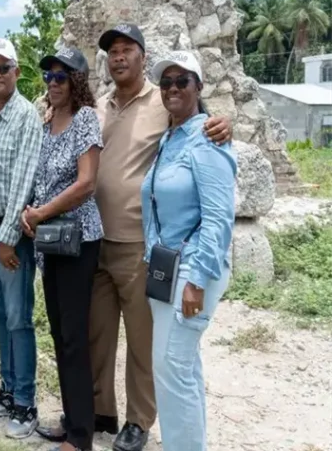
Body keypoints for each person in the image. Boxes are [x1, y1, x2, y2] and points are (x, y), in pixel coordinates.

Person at [91, 24, 231, 451]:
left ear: (141, 56)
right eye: (112, 51)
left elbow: (216, 205)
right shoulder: (100, 106)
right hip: (101, 240)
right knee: (102, 335)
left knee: (149, 346)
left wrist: (224, 123)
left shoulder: (164, 106)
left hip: (145, 248)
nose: (118, 57)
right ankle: (102, 411)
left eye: (127, 49)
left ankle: (139, 421)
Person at [142, 51, 236, 451]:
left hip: (192, 270)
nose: (173, 89)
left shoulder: (207, 137)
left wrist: (196, 280)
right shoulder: (171, 136)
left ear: (199, 87)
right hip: (167, 267)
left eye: (182, 81)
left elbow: (218, 217)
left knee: (171, 366)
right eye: (166, 83)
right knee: (182, 368)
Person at [21, 47, 103, 451]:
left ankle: (81, 437)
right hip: (51, 243)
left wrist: (42, 213)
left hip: (78, 240)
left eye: (61, 77)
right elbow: (41, 182)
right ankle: (72, 419)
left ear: (77, 81)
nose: (53, 84)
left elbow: (87, 182)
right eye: (49, 77)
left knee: (73, 336)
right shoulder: (48, 123)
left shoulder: (86, 119)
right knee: (59, 333)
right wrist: (29, 211)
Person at [0, 37, 42, 439]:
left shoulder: (25, 115)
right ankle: (8, 388)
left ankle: (27, 401)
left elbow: (23, 181)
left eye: (4, 68)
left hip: (8, 235)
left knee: (18, 318)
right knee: (0, 316)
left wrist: (7, 236)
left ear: (16, 72)